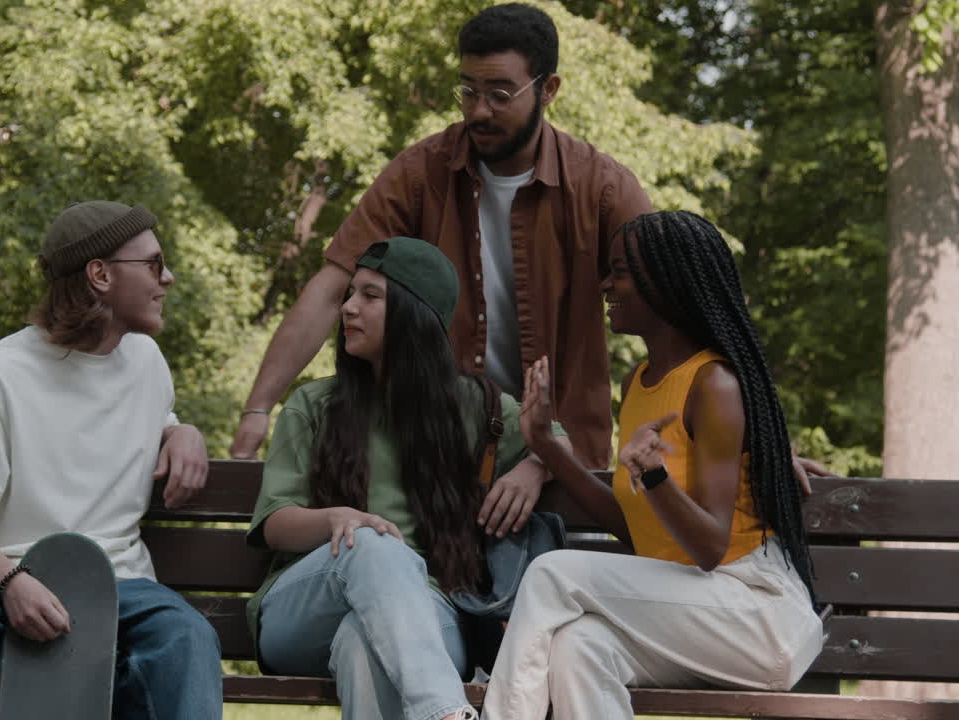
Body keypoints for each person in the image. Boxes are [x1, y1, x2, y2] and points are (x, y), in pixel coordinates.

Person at [231, 3, 653, 478]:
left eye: (500, 94)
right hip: (439, 456)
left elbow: (668, 309)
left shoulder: (603, 187)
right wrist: (258, 409)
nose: (479, 110)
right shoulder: (420, 172)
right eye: (468, 91)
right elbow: (333, 287)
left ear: (548, 90)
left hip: (566, 463)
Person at [0, 201, 223, 720]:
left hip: (120, 584)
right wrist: (11, 581)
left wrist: (182, 431)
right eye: (153, 264)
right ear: (100, 275)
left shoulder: (147, 361)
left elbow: (156, 416)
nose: (167, 278)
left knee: (188, 637)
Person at [480, 210, 824, 720]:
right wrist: (547, 446)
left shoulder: (714, 384)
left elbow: (709, 547)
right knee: (579, 646)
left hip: (754, 614)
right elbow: (637, 528)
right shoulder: (638, 383)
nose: (604, 284)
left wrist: (656, 478)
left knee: (552, 572)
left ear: (663, 284)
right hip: (695, 611)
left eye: (618, 271)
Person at [246, 237, 572, 720]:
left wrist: (535, 465)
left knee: (363, 644)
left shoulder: (476, 409)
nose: (349, 309)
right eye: (350, 294)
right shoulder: (314, 405)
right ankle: (445, 712)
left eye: (370, 296)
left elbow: (560, 442)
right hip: (303, 612)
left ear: (414, 313)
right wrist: (336, 518)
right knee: (371, 543)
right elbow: (274, 522)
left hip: (429, 618)